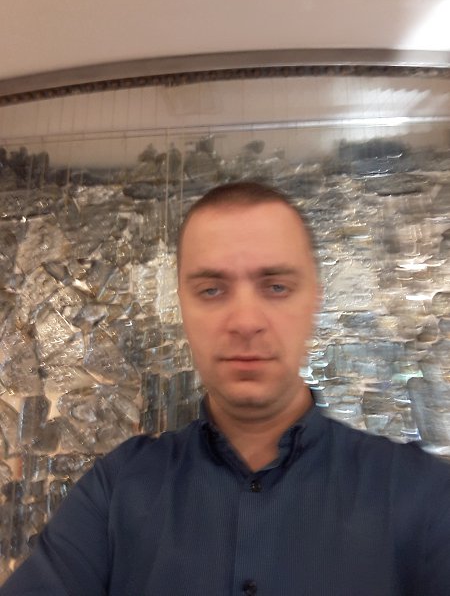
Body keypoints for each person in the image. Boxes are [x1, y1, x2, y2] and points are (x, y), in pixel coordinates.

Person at [1, 181, 450, 595]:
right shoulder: (116, 492)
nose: (245, 322)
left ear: (314, 298)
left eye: (276, 286)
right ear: (182, 304)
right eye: (212, 290)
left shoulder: (421, 496)